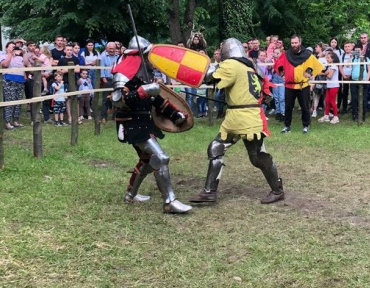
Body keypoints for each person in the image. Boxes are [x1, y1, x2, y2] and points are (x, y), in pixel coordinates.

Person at [190, 38, 284, 205]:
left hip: (245, 117)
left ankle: (277, 190)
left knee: (258, 157)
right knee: (216, 147)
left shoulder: (232, 65)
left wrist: (191, 68)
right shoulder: (251, 65)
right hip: (240, 116)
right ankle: (209, 192)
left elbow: (209, 77)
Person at [112, 35, 191, 213]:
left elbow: (155, 98)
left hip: (143, 122)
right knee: (161, 158)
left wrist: (175, 114)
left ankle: (130, 195)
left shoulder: (144, 72)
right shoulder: (123, 72)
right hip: (131, 123)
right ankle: (169, 201)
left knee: (147, 162)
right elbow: (118, 100)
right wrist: (143, 91)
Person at [275, 35, 324, 134]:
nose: (294, 45)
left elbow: (316, 65)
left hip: (303, 85)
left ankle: (306, 126)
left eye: (295, 43)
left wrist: (309, 72)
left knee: (305, 107)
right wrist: (282, 73)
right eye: (292, 43)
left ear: (300, 42)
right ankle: (287, 126)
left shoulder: (307, 55)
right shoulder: (286, 54)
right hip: (289, 85)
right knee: (288, 107)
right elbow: (278, 64)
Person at [0, 46, 30, 129]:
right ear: (6, 48)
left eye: (15, 48)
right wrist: (10, 54)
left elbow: (27, 64)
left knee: (18, 102)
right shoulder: (3, 56)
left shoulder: (20, 58)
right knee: (9, 102)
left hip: (20, 81)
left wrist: (24, 54)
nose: (14, 50)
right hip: (9, 81)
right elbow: (5, 64)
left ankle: (16, 120)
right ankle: (7, 122)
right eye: (11, 47)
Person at [318, 51, 340, 124]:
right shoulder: (330, 66)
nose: (326, 59)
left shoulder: (333, 66)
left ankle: (336, 116)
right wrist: (325, 73)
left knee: (332, 101)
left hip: (334, 85)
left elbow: (330, 76)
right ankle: (326, 115)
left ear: (332, 59)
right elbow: (325, 73)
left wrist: (325, 74)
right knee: (327, 101)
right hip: (329, 85)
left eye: (328, 58)